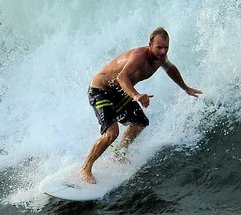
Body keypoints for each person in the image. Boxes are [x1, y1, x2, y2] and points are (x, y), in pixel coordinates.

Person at [79, 27, 202, 184]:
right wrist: (136, 95)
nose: (163, 51)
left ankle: (118, 153)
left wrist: (185, 88)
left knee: (140, 122)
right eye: (159, 47)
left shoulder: (161, 58)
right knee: (112, 133)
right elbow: (121, 77)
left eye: (166, 47)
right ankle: (86, 167)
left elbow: (170, 69)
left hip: (119, 93)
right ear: (150, 44)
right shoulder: (139, 57)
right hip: (101, 90)